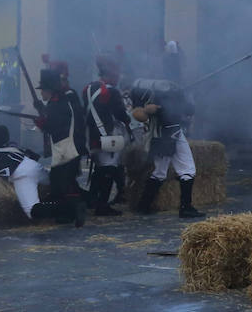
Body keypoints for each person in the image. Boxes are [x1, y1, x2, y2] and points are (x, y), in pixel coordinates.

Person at [130, 76, 203, 219]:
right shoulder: (169, 95)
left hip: (161, 135)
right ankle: (186, 208)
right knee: (187, 169)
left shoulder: (146, 94)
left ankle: (143, 206)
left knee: (160, 172)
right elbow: (189, 110)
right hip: (170, 133)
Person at [36, 66, 86, 227]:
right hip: (66, 147)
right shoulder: (58, 101)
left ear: (49, 90)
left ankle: (77, 208)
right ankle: (66, 215)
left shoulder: (58, 103)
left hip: (66, 148)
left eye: (42, 90)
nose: (41, 93)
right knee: (62, 182)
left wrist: (42, 123)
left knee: (62, 183)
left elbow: (55, 125)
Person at [81, 53, 130, 218]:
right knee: (110, 167)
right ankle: (102, 206)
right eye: (116, 76)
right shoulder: (112, 92)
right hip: (107, 135)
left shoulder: (87, 88)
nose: (118, 79)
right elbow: (121, 114)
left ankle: (93, 199)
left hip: (91, 135)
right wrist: (129, 118)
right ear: (109, 75)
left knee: (100, 168)